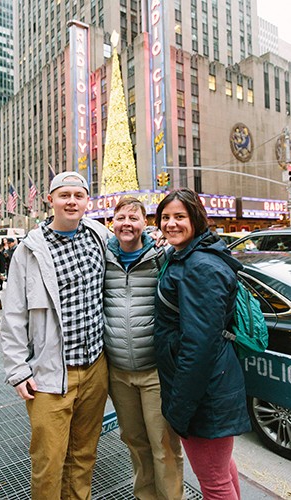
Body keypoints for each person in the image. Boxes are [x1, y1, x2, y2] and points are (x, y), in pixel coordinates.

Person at [1, 171, 110, 500]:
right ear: (51, 200)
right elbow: (13, 314)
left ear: (87, 200)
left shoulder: (99, 237)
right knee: (48, 462)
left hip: (95, 368)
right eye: (65, 195)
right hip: (49, 375)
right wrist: (18, 370)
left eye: (79, 195)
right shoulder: (28, 251)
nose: (72, 202)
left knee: (84, 457)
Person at [154, 188, 251, 500]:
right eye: (165, 217)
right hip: (210, 387)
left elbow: (199, 346)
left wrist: (181, 408)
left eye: (179, 217)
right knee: (222, 471)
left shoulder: (200, 267)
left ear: (195, 218)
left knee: (213, 483)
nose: (171, 223)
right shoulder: (189, 256)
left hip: (204, 393)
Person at [104, 197, 184, 499]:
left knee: (163, 445)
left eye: (133, 218)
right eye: (121, 217)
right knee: (135, 443)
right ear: (112, 223)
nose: (127, 223)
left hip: (155, 372)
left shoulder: (161, 259)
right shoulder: (103, 259)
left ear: (145, 224)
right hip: (119, 372)